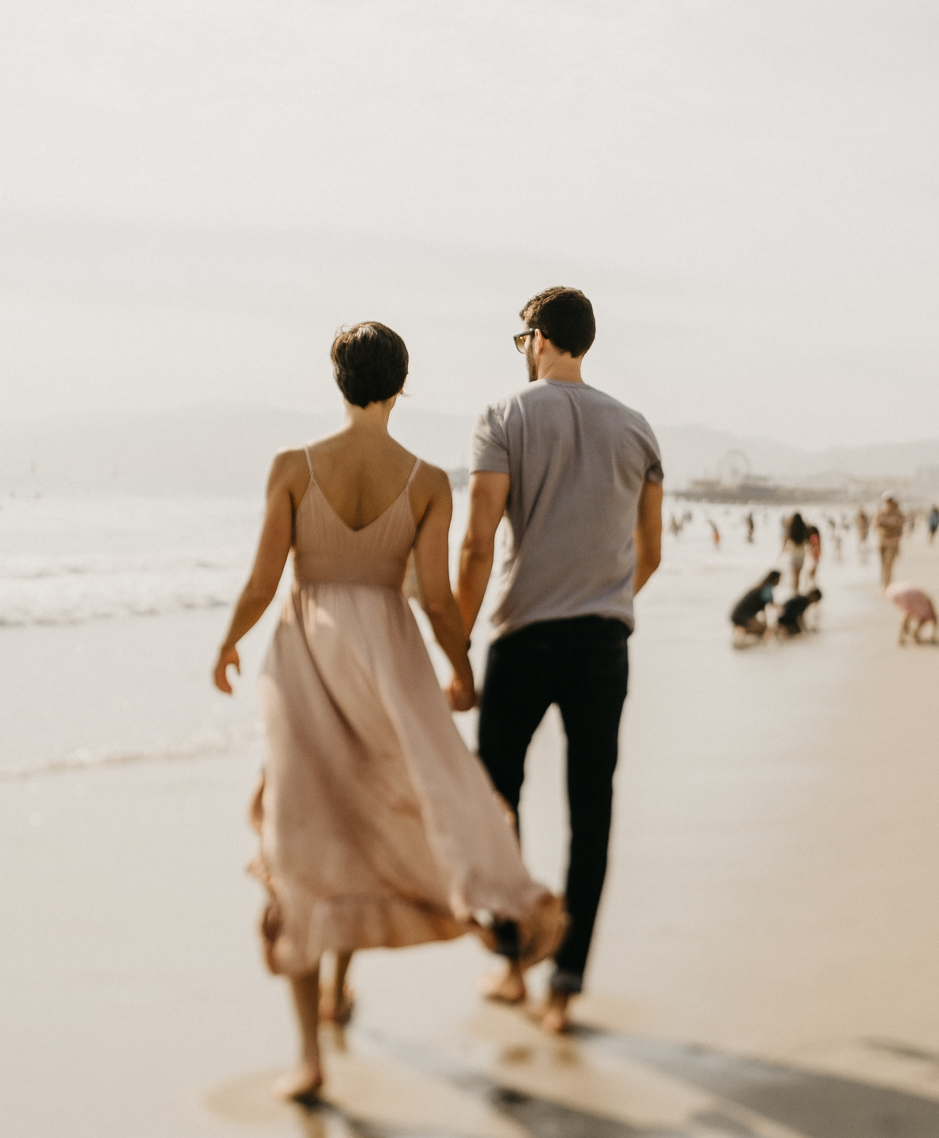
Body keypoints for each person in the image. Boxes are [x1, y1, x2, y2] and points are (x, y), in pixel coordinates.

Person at [212, 321, 564, 1101]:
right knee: (369, 815)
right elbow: (436, 601)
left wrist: (228, 642)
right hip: (390, 666)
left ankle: (308, 1054)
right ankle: (340, 989)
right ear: (401, 386)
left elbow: (265, 578)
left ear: (337, 380)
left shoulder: (293, 467)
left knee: (307, 831)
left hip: (307, 660)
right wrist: (461, 669)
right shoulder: (428, 480)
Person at [458, 287, 664, 1036]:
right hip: (603, 643)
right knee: (592, 808)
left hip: (524, 637)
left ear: (539, 337)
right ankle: (566, 984)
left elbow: (478, 542)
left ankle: (513, 961)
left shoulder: (503, 417)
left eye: (522, 338)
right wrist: (604, 594)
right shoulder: (637, 429)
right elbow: (652, 551)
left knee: (496, 800)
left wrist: (456, 644)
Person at [729, 571, 781, 640]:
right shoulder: (767, 589)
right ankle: (742, 629)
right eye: (779, 579)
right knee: (763, 629)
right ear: (775, 579)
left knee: (763, 628)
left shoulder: (760, 587)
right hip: (742, 616)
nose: (780, 582)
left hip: (736, 614)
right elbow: (766, 607)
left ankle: (741, 629)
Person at [873, 494, 905, 588]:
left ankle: (886, 585)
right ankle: (884, 581)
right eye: (887, 501)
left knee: (888, 563)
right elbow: (875, 524)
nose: (889, 503)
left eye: (890, 500)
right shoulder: (880, 511)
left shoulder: (898, 513)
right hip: (882, 541)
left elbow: (901, 525)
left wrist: (896, 531)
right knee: (883, 564)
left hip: (893, 541)